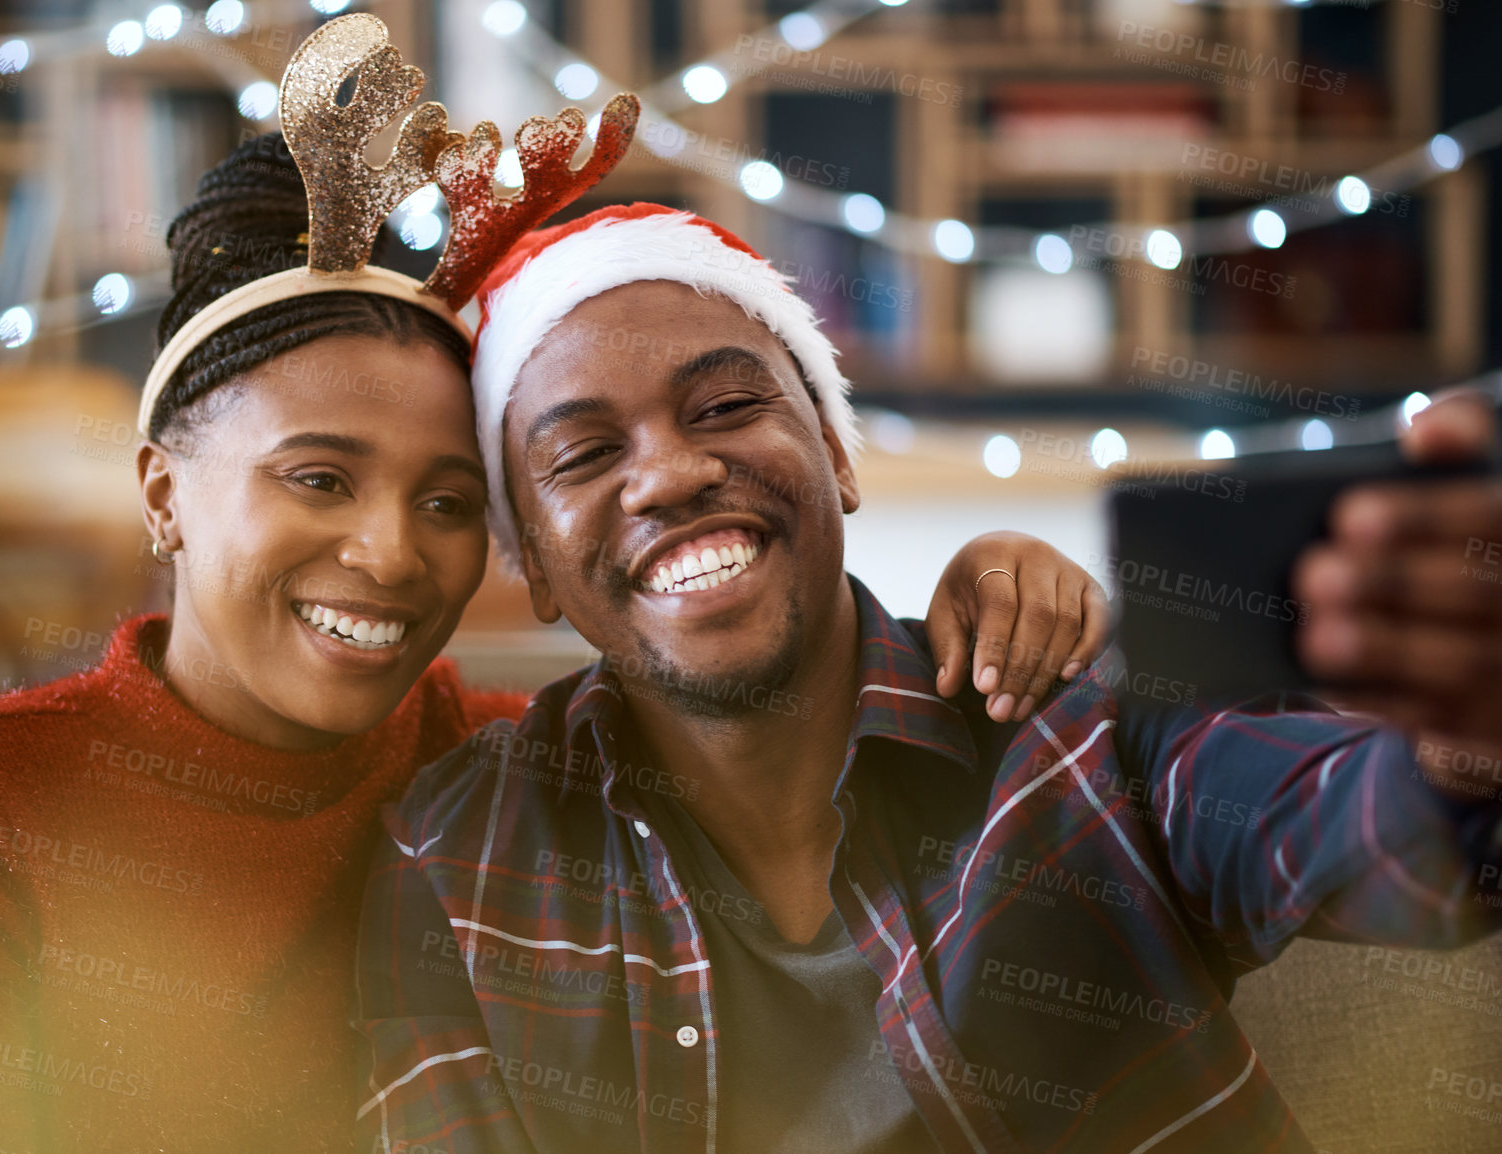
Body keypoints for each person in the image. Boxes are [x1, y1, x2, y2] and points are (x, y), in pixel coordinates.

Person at [0, 18, 1110, 1152]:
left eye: (446, 502)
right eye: (317, 478)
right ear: (161, 492)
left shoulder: (497, 775)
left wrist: (990, 581)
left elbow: (769, 719)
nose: (389, 553)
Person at [353, 203, 1502, 1154]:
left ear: (837, 455)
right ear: (536, 564)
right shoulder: (455, 858)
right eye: (583, 454)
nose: (669, 472)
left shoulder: (1070, 728)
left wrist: (1463, 737)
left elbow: (1388, 838)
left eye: (724, 406)